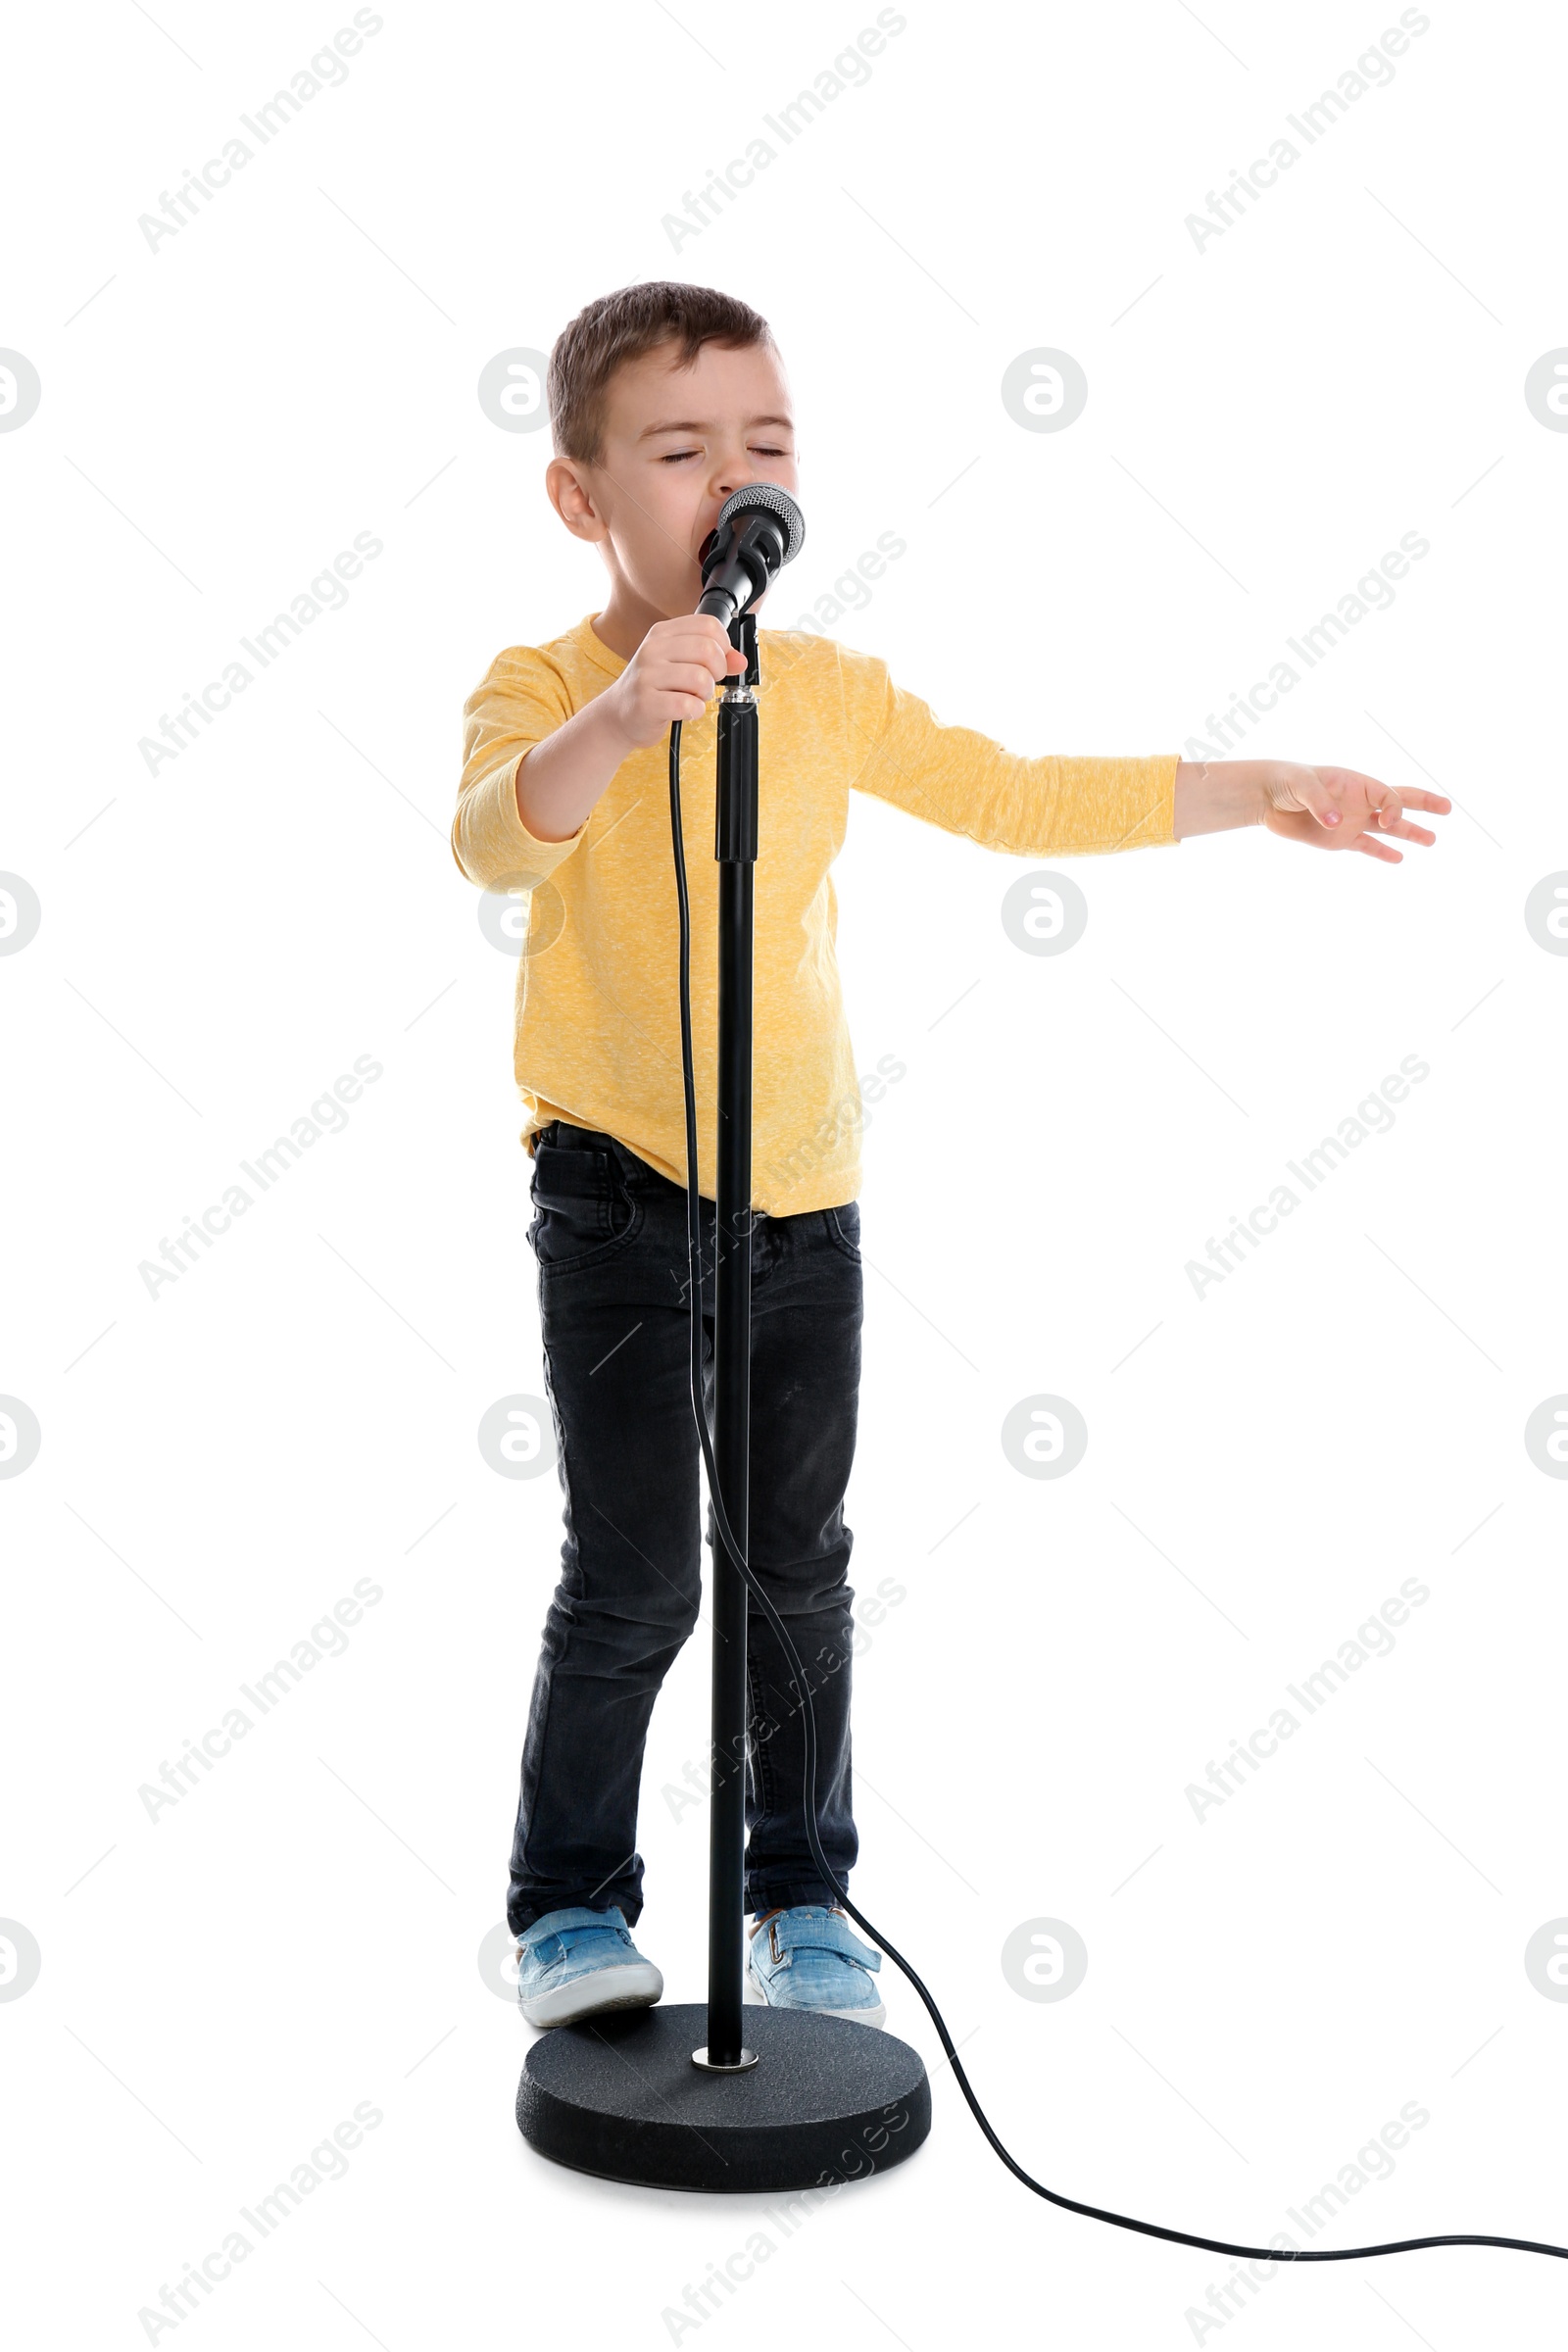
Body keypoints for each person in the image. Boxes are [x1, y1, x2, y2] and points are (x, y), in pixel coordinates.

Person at [450, 280, 1448, 2032]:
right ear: (582, 498)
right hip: (613, 1191)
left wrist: (1262, 781)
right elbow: (493, 848)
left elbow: (1021, 792)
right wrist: (617, 722)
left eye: (763, 444)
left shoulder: (822, 692)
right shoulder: (541, 685)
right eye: (679, 452)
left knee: (794, 1564)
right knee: (636, 1569)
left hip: (799, 1198)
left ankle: (802, 1895)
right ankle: (566, 1908)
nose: (730, 479)